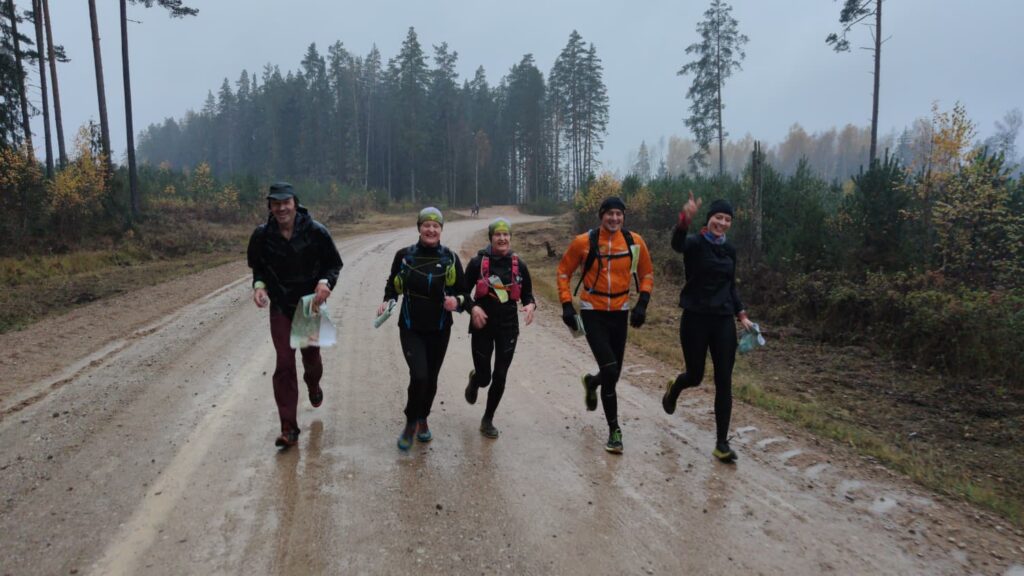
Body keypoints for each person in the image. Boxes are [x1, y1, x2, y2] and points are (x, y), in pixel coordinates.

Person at [247, 182, 343, 449]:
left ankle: (313, 386)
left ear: (295, 203)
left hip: (308, 305)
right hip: (280, 305)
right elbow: (258, 269)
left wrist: (325, 282)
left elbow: (333, 263)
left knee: (311, 360)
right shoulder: (262, 236)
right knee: (284, 363)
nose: (281, 208)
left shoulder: (315, 231)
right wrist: (259, 287)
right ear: (270, 207)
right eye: (275, 204)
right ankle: (288, 428)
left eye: (285, 202)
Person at [661, 193, 755, 463]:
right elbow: (677, 244)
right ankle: (675, 387)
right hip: (695, 318)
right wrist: (684, 219)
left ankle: (721, 443)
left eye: (727, 219)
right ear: (709, 219)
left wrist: (742, 315)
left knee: (724, 381)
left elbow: (731, 286)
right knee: (695, 375)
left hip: (723, 320)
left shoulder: (730, 250)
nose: (722, 223)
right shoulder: (695, 243)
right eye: (718, 217)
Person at [556, 197, 654, 454]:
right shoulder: (583, 242)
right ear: (601, 216)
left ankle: (591, 382)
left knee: (613, 373)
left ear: (623, 217)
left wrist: (642, 302)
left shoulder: (634, 242)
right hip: (592, 312)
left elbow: (646, 273)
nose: (614, 219)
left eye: (619, 214)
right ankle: (614, 432)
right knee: (610, 370)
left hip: (619, 313)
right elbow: (564, 272)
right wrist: (567, 304)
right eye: (609, 214)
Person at [378, 207, 469, 451]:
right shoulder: (404, 256)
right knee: (419, 375)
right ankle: (410, 422)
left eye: (435, 226)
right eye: (426, 225)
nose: (430, 229)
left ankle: (423, 417)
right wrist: (388, 300)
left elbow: (463, 293)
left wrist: (457, 302)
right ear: (419, 227)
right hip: (410, 326)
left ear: (441, 230)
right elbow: (392, 286)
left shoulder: (449, 258)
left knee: (431, 379)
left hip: (440, 328)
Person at [463, 218, 537, 438]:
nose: (503, 239)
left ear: (510, 238)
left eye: (506, 235)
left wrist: (531, 305)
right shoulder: (477, 263)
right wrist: (473, 308)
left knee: (500, 376)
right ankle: (476, 379)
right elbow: (463, 294)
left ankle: (487, 419)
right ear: (491, 238)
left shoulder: (519, 264)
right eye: (498, 235)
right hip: (482, 326)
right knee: (486, 377)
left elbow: (528, 295)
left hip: (508, 327)